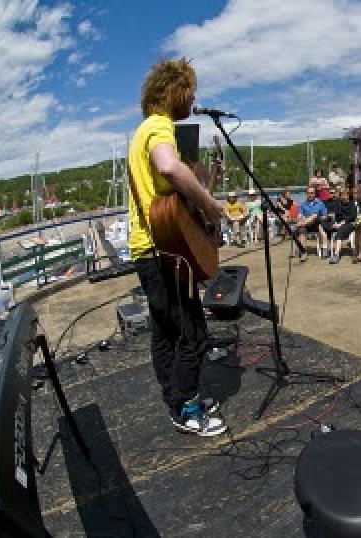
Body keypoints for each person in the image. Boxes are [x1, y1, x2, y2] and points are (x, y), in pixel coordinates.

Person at [128, 58, 226, 437]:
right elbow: (170, 168)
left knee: (165, 330)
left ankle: (174, 398)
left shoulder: (142, 131)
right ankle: (186, 407)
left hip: (147, 249)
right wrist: (210, 206)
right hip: (163, 251)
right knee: (194, 331)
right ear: (176, 91)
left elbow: (168, 187)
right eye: (191, 90)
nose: (195, 97)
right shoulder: (159, 126)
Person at [295, 186, 328, 262]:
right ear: (306, 194)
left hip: (317, 224)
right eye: (308, 193)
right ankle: (304, 253)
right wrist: (303, 219)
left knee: (315, 216)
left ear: (315, 194)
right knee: (302, 231)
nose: (310, 195)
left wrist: (317, 218)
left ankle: (325, 250)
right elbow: (299, 216)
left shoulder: (320, 203)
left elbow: (325, 216)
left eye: (312, 193)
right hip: (306, 225)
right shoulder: (303, 204)